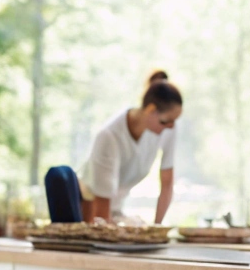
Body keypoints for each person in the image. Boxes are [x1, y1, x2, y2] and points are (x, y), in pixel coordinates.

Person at [44, 72, 182, 224]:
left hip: (115, 212)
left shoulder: (166, 130)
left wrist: (157, 227)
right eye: (166, 121)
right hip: (89, 212)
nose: (171, 126)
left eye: (174, 121)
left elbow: (167, 183)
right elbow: (101, 213)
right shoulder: (109, 137)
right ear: (150, 111)